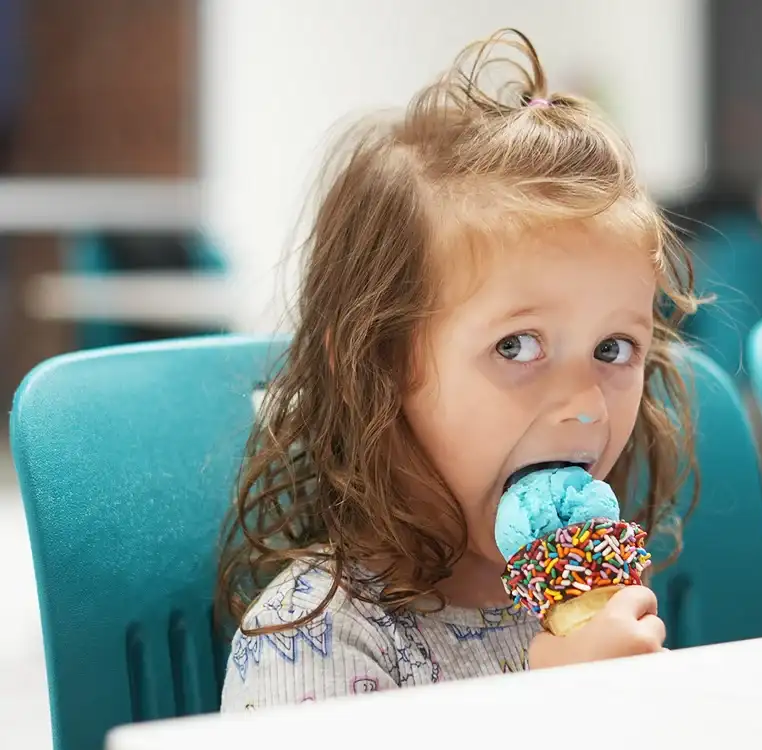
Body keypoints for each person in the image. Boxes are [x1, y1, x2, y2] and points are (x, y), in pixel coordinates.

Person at [216, 28, 698, 711]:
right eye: (516, 346)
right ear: (376, 366)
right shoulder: (311, 641)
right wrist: (554, 710)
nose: (586, 406)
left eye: (614, 349)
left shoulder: (610, 606)